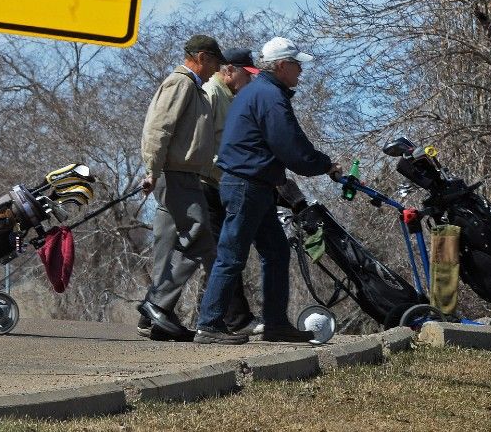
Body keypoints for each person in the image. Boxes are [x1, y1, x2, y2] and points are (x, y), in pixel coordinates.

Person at [195, 36, 341, 345]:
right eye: (296, 64)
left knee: (275, 252)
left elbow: (288, 144)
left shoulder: (260, 92)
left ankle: (275, 324)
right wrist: (324, 164)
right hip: (246, 184)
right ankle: (209, 325)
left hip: (254, 184)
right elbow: (291, 146)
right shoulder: (269, 96)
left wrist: (315, 162)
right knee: (231, 255)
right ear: (281, 66)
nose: (300, 70)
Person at [137, 34, 225, 341]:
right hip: (176, 175)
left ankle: (157, 320)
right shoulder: (182, 83)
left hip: (182, 175)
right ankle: (156, 304)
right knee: (200, 238)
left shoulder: (194, 87)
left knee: (166, 245)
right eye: (214, 62)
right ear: (201, 57)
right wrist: (151, 170)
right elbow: (158, 128)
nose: (216, 70)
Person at [199, 47, 261, 336]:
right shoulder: (211, 94)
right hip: (207, 184)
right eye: (245, 74)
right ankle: (223, 321)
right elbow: (201, 141)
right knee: (222, 255)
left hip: (221, 182)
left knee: (221, 254)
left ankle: (233, 318)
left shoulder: (232, 98)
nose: (248, 81)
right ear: (228, 71)